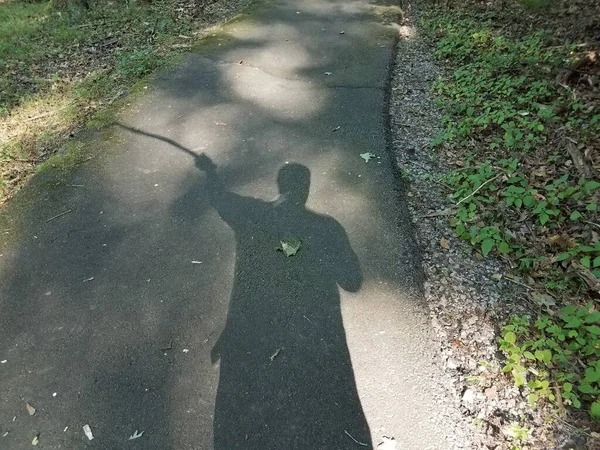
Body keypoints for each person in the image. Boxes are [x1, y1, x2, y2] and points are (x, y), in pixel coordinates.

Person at [196, 155, 372, 450]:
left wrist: (209, 171)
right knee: (312, 403)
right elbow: (352, 281)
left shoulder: (251, 213)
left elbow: (218, 197)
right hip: (314, 335)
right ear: (306, 190)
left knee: (254, 402)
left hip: (255, 330)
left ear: (280, 186)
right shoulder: (327, 228)